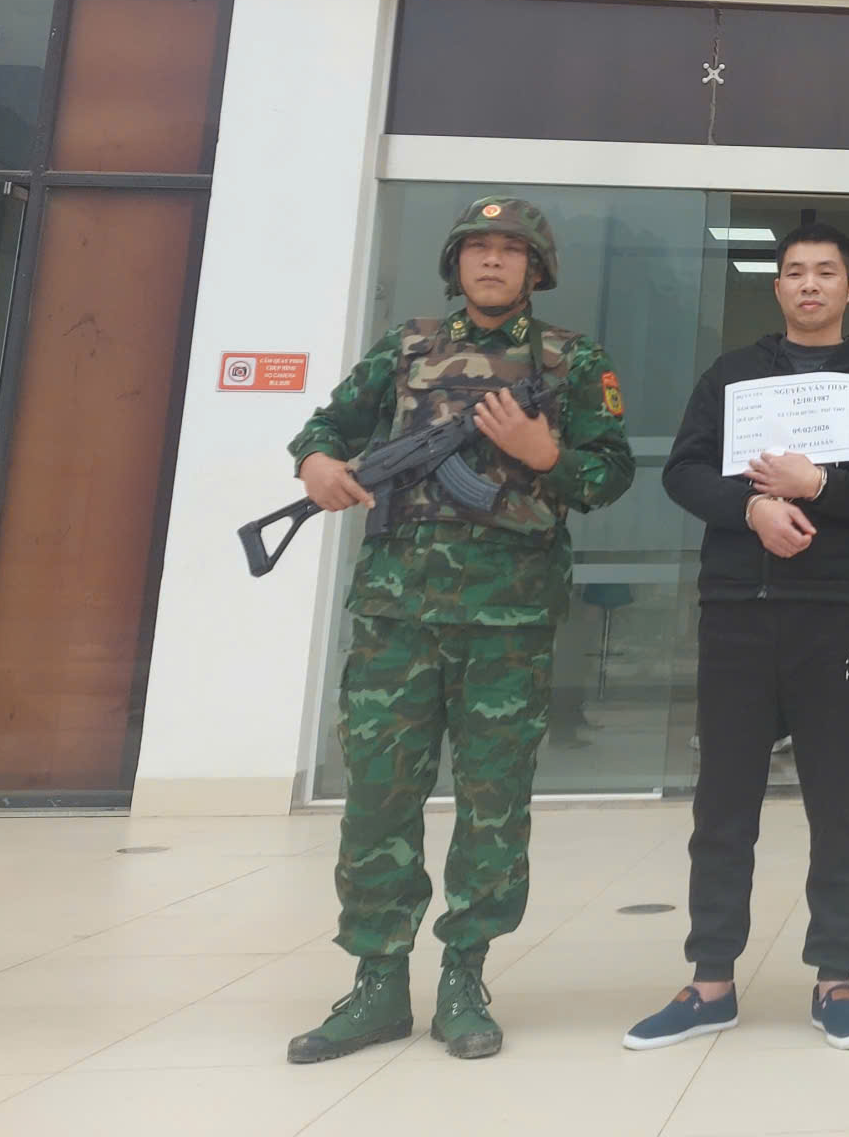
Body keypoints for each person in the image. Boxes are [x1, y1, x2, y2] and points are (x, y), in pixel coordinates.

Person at [286, 197, 635, 1064]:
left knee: (493, 805)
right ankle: (376, 981)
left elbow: (610, 473)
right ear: (455, 264)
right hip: (396, 617)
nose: (491, 261)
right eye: (476, 248)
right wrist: (318, 464)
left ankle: (464, 977)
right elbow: (327, 428)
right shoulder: (404, 348)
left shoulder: (571, 360)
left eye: (509, 250)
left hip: (508, 622)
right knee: (378, 800)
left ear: (535, 269)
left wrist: (545, 455)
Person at [624, 222, 849, 1053]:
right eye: (795, 272)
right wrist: (751, 507)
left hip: (833, 614)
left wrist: (818, 483)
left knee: (838, 804)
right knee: (722, 804)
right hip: (737, 611)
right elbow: (683, 471)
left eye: (826, 272)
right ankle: (710, 981)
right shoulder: (732, 375)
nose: (810, 284)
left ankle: (836, 979)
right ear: (778, 286)